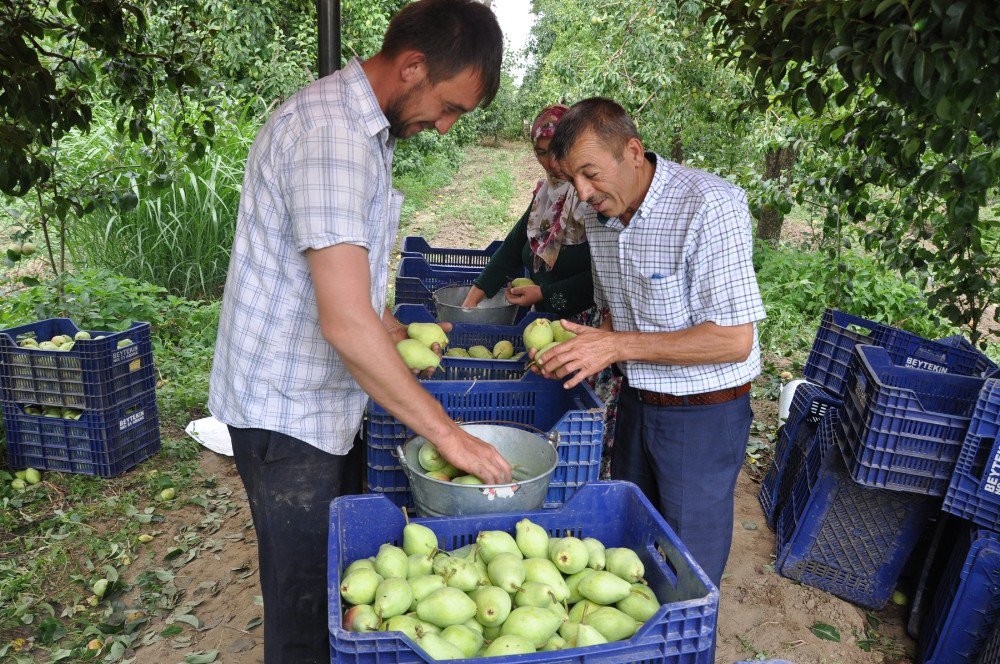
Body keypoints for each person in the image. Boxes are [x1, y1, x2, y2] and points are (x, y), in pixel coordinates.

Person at [207, 1, 511, 661]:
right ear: (411, 67)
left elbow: (352, 290)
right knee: (305, 608)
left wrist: (397, 336)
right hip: (287, 415)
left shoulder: (364, 135)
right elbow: (343, 319)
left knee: (341, 584)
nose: (446, 125)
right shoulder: (332, 136)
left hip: (322, 402)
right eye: (451, 106)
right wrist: (445, 431)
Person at [537, 97, 766, 587]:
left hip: (702, 416)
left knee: (686, 570)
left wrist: (616, 347)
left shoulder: (708, 205)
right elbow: (613, 316)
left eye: (590, 174)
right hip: (637, 404)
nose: (582, 192)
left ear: (634, 152)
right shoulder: (602, 216)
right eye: (571, 179)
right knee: (631, 553)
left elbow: (732, 339)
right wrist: (576, 350)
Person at [460, 105, 593, 318]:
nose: (552, 163)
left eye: (560, 150)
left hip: (585, 328)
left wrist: (544, 294)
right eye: (542, 152)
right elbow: (512, 247)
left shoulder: (594, 200)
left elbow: (605, 278)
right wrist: (471, 300)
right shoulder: (545, 196)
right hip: (544, 323)